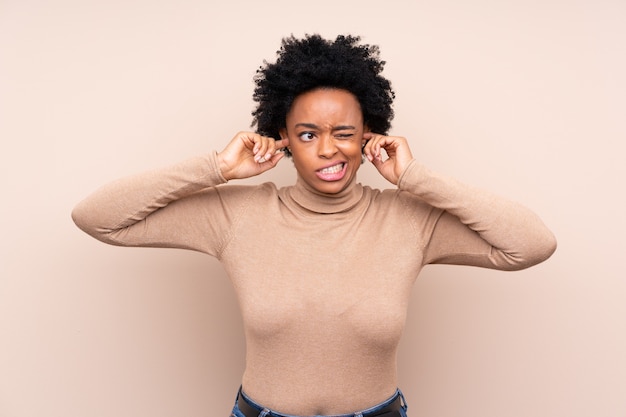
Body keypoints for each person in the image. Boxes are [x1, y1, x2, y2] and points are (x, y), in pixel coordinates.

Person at [72, 34, 557, 417]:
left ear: (368, 135)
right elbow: (99, 218)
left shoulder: (409, 218)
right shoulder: (235, 214)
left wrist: (413, 177)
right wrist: (216, 168)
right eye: (308, 134)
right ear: (282, 138)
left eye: (344, 133)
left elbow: (531, 244)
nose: (329, 149)